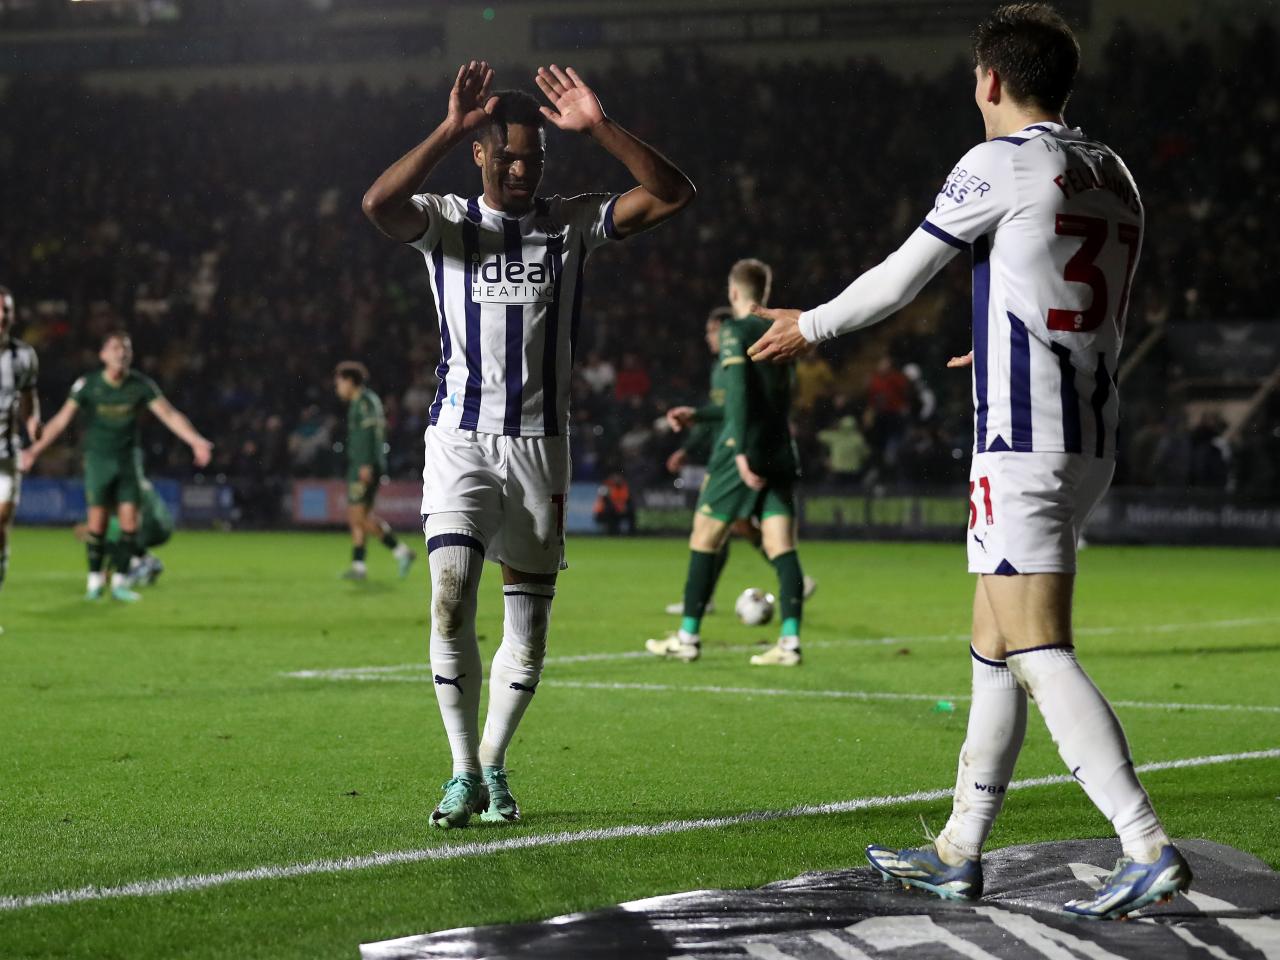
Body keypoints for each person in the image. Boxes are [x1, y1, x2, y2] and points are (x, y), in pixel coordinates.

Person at [749, 2, 1189, 919]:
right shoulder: (1115, 171)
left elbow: (904, 276)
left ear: (990, 79)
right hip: (1084, 431)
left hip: (1024, 440)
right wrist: (996, 343)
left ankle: (1144, 842)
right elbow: (1085, 299)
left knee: (1037, 646)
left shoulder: (997, 160)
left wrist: (812, 325)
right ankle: (958, 848)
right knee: (993, 648)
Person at [361, 60, 694, 828]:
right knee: (449, 596)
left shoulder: (570, 223)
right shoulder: (445, 219)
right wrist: (448, 127)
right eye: (506, 156)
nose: (520, 169)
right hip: (461, 439)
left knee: (529, 626)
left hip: (542, 446)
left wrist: (601, 127)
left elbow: (675, 195)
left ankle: (492, 763)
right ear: (480, 153)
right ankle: (458, 771)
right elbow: (376, 203)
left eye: (534, 159)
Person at [647, 259, 808, 667]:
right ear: (764, 292)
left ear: (734, 293)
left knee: (704, 537)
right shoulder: (785, 331)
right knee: (780, 545)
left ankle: (687, 637)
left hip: (743, 452)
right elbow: (770, 400)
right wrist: (699, 415)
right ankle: (789, 644)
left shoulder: (735, 330)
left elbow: (738, 395)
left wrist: (737, 452)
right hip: (780, 450)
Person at [21, 331, 212, 602]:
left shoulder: (140, 385)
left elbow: (169, 414)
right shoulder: (88, 385)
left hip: (128, 461)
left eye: (125, 349)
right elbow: (62, 421)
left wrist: (196, 441)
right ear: (103, 355)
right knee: (96, 524)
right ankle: (95, 584)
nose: (121, 353)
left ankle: (121, 583)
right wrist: (34, 451)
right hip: (99, 461)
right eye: (114, 348)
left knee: (129, 524)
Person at [662, 306, 815, 615]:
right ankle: (787, 579)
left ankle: (698, 609)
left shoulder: (732, 364)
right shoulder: (729, 365)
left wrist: (700, 425)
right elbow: (728, 410)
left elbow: (735, 410)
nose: (708, 339)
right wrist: (694, 429)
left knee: (715, 526)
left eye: (711, 332)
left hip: (737, 453)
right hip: (740, 448)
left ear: (723, 329)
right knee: (739, 525)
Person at [333, 361, 417, 580]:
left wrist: (366, 464)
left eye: (340, 382)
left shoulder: (365, 402)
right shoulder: (361, 402)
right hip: (359, 464)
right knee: (356, 516)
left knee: (360, 516)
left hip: (365, 465)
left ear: (350, 381)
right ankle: (358, 566)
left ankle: (402, 552)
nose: (337, 387)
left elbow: (373, 435)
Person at [0, 287, 41, 629]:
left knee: (0, 524)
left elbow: (29, 396)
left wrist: (32, 422)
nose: (1, 317)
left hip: (6, 452)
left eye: (6, 310)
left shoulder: (23, 356)